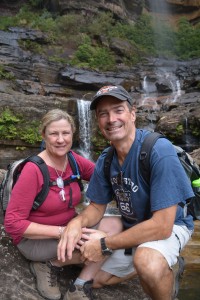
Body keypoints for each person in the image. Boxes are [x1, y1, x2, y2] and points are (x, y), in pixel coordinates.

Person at [57, 85, 195, 300]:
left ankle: (160, 269)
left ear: (132, 114)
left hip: (171, 226)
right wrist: (76, 223)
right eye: (103, 113)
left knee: (147, 260)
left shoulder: (159, 150)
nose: (111, 119)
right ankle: (157, 267)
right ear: (98, 121)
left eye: (118, 110)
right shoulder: (107, 158)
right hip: (134, 228)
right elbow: (95, 207)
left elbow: (162, 226)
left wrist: (104, 244)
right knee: (97, 279)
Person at [4, 109, 99, 300]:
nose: (60, 139)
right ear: (43, 135)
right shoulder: (33, 170)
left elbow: (102, 178)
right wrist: (63, 232)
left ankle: (80, 284)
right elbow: (12, 223)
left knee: (115, 226)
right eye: (54, 134)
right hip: (35, 240)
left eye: (65, 133)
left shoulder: (73, 160)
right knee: (103, 244)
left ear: (73, 134)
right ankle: (46, 264)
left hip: (70, 227)